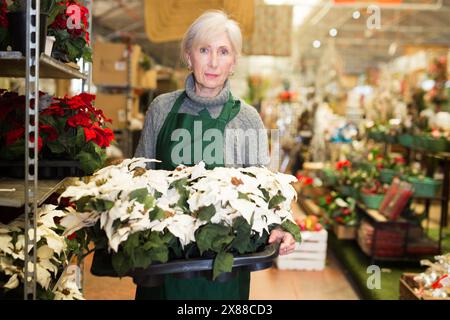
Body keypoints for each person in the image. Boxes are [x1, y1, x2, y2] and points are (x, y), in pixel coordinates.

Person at [134, 10, 295, 300]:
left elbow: (264, 189)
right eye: (204, 50)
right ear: (188, 56)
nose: (213, 62)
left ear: (234, 62)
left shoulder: (247, 118)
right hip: (164, 255)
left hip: (225, 260)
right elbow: (139, 175)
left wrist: (282, 225)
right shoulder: (161, 108)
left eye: (223, 52)